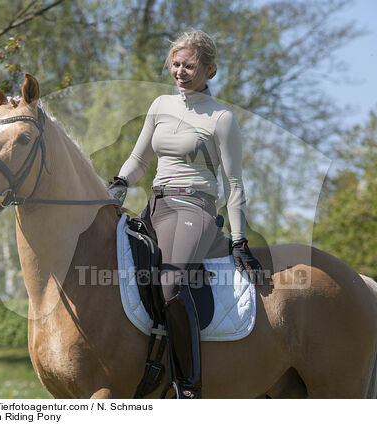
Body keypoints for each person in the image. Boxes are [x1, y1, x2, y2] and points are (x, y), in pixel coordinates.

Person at [108, 30, 262, 399]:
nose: (180, 71)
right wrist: (118, 183)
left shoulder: (222, 118)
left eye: (189, 66)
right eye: (175, 64)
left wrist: (239, 239)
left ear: (209, 69)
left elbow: (234, 183)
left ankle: (188, 387)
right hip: (156, 205)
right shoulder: (160, 105)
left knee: (171, 285)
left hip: (196, 209)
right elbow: (140, 158)